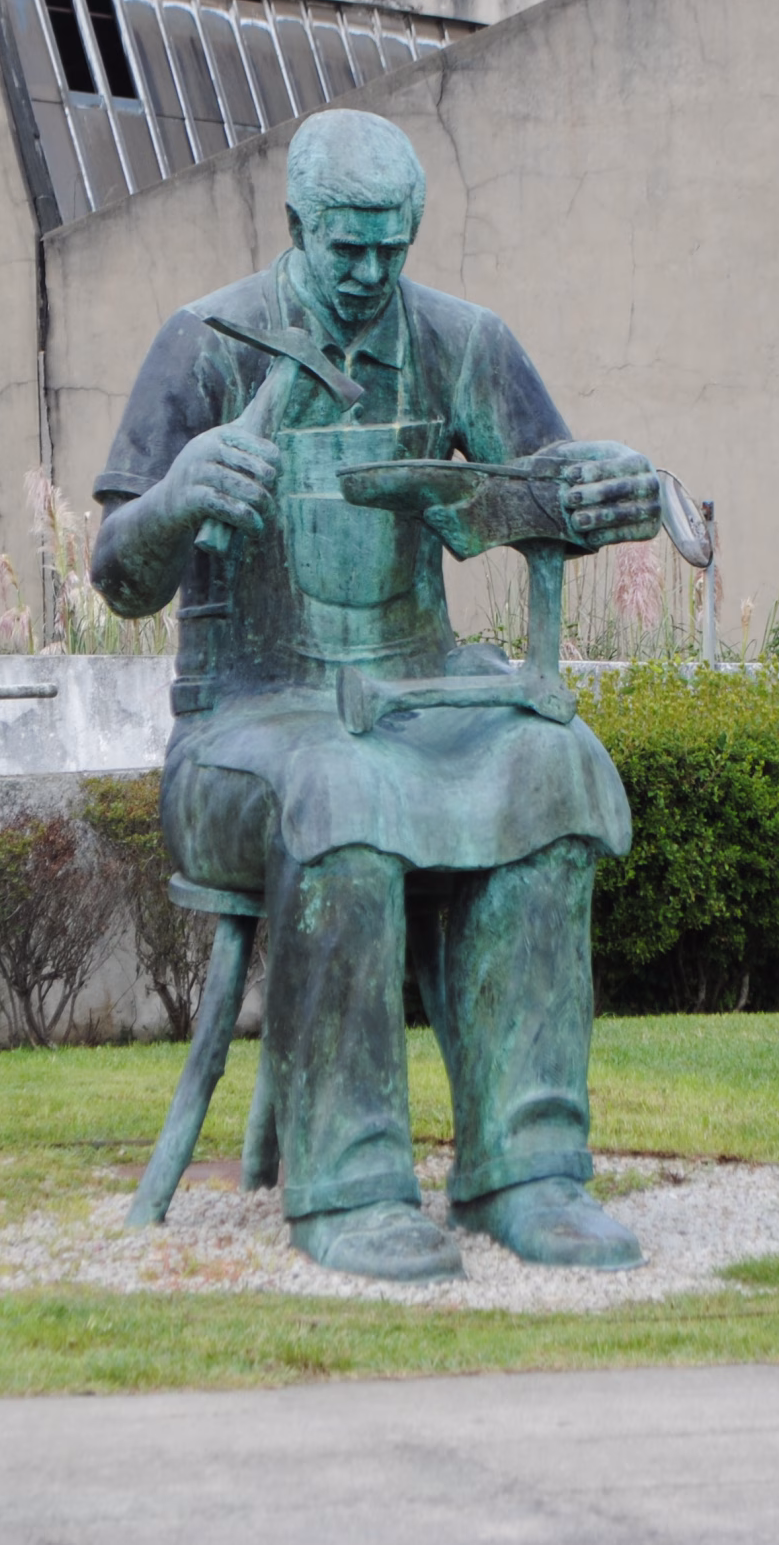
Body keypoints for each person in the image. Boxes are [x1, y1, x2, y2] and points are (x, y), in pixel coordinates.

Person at [90, 109, 661, 1281]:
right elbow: (119, 579)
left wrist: (602, 494)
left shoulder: (463, 342)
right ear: (295, 223)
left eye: (390, 248)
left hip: (416, 706)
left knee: (553, 766)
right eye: (345, 247)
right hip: (245, 727)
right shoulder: (203, 347)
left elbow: (540, 490)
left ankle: (529, 1171)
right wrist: (177, 495)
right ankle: (346, 1185)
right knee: (339, 787)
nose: (367, 272)